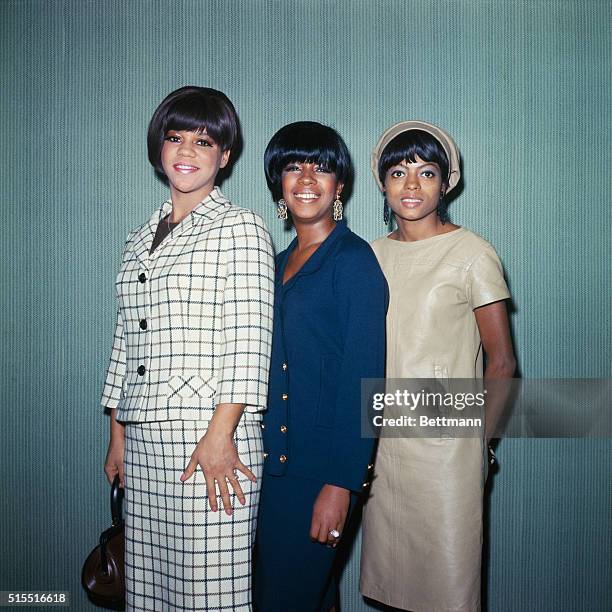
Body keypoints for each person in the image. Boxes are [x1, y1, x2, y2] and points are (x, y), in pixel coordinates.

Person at [101, 86, 274, 611]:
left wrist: (220, 436)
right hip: (146, 435)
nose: (185, 152)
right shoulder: (138, 237)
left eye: (203, 142)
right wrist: (118, 435)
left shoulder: (239, 227)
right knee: (150, 591)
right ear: (158, 147)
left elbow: (251, 340)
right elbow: (126, 340)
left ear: (224, 156)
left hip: (211, 438)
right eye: (175, 138)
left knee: (210, 593)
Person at [360, 121, 516, 611]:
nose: (411, 185)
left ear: (446, 182)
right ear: (382, 182)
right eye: (399, 172)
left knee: (449, 591)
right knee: (393, 592)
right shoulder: (369, 257)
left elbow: (503, 361)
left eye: (426, 172)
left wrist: (479, 443)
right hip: (384, 452)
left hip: (448, 454)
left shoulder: (471, 253)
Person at [254, 121, 387, 612]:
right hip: (270, 467)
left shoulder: (354, 260)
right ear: (278, 185)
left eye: (322, 167)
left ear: (340, 185)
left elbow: (366, 379)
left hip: (321, 470)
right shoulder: (272, 260)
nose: (307, 178)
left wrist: (341, 484)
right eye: (293, 166)